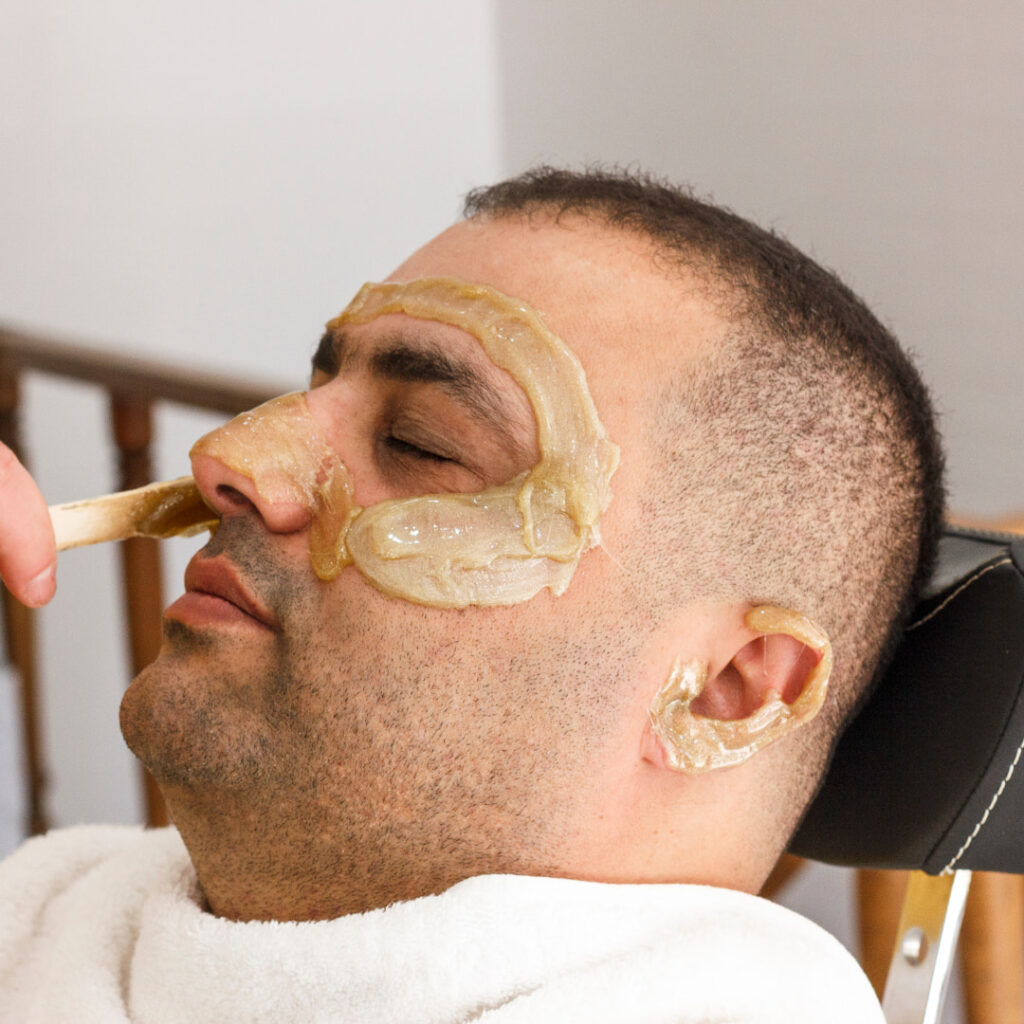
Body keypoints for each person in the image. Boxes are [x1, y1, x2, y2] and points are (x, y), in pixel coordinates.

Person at [0, 167, 943, 1022]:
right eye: (313, 389)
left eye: (421, 444)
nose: (230, 459)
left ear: (726, 690)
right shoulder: (44, 923)